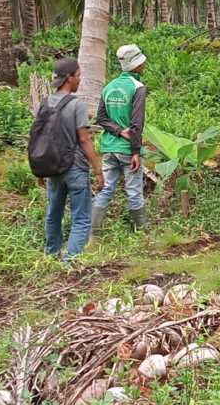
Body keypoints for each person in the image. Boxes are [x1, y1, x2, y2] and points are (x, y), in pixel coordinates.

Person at [40, 58, 104, 261]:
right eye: (78, 76)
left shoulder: (44, 103)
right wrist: (97, 169)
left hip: (52, 168)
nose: (79, 80)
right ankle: (71, 260)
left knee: (53, 213)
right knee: (82, 217)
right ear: (69, 78)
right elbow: (84, 140)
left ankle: (51, 255)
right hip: (75, 167)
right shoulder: (77, 105)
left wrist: (39, 170)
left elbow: (38, 138)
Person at [91, 44, 148, 233]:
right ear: (135, 65)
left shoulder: (109, 87)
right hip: (126, 150)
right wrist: (135, 152)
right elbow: (136, 124)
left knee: (106, 189)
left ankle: (92, 233)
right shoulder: (138, 88)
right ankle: (142, 234)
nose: (144, 63)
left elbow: (101, 118)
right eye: (141, 61)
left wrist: (116, 130)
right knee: (134, 192)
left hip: (108, 148)